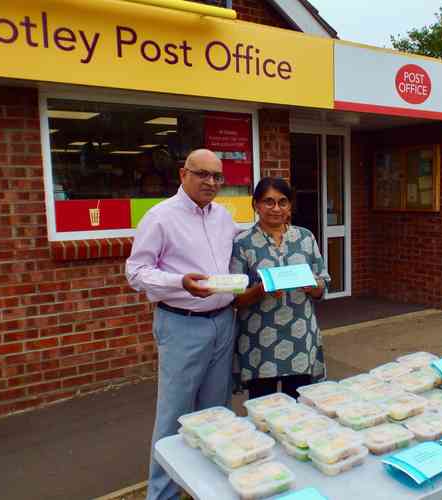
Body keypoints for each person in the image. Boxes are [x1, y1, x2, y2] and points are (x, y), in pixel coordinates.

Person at [126, 149, 240, 500]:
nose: (210, 182)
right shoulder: (160, 217)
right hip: (182, 325)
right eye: (202, 174)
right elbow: (136, 272)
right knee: (174, 417)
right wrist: (180, 283)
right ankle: (162, 495)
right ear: (182, 174)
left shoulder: (224, 217)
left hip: (223, 323)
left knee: (216, 413)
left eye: (217, 177)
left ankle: (208, 489)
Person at [230, 177, 330, 399]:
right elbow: (234, 299)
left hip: (300, 338)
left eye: (282, 202)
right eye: (268, 201)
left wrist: (312, 286)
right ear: (255, 205)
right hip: (260, 342)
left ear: (290, 205)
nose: (276, 208)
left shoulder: (305, 237)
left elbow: (323, 284)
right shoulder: (243, 242)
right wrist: (260, 290)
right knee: (263, 410)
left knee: (298, 407)